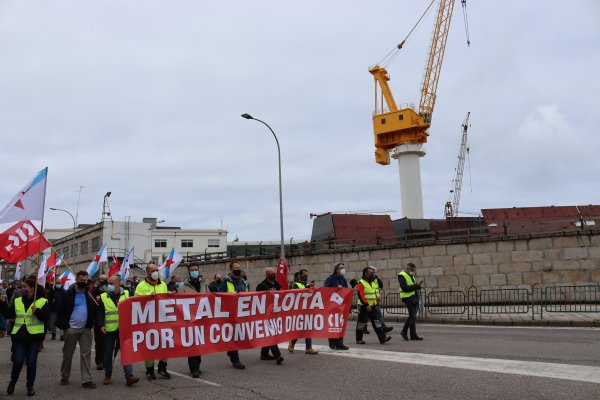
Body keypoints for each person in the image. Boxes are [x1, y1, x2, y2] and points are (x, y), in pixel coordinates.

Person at [0, 278, 49, 396]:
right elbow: (8, 314)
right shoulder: (18, 300)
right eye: (22, 287)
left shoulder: (43, 301)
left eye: (25, 287)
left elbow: (46, 317)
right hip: (20, 336)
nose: (23, 289)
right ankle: (13, 382)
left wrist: (37, 311)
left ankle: (30, 386)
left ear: (32, 288)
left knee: (31, 362)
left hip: (35, 337)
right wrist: (2, 303)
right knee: (18, 361)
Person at [56, 270, 97, 389]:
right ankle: (65, 375)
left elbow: (93, 309)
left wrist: (91, 323)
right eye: (81, 280)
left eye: (85, 280)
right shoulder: (67, 294)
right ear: (76, 280)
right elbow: (60, 311)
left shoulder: (89, 294)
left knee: (86, 354)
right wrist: (66, 327)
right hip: (71, 329)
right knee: (68, 354)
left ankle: (86, 379)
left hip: (85, 329)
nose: (83, 282)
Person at [97, 275, 139, 386]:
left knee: (126, 352)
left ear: (118, 284)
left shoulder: (127, 294)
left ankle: (129, 376)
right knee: (108, 353)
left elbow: (136, 306)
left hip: (124, 329)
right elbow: (100, 313)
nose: (109, 285)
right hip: (109, 330)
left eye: (111, 283)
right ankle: (108, 375)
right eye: (108, 283)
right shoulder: (103, 296)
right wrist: (101, 325)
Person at [135, 264, 172, 380]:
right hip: (148, 321)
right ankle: (150, 370)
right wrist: (147, 297)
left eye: (157, 270)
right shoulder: (141, 286)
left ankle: (162, 368)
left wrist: (169, 296)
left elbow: (166, 301)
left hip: (162, 320)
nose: (156, 272)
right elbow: (135, 302)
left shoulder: (163, 285)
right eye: (153, 271)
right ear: (147, 273)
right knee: (150, 345)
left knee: (165, 345)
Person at [219, 261, 249, 369]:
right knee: (234, 335)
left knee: (238, 335)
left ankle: (231, 351)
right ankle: (235, 360)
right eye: (236, 268)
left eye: (239, 267)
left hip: (241, 312)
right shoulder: (226, 281)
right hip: (230, 312)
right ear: (231, 270)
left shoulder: (244, 281)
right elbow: (220, 295)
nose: (238, 269)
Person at [177, 263, 204, 377]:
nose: (194, 271)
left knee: (199, 343)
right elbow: (179, 302)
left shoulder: (203, 284)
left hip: (201, 317)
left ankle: (197, 365)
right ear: (188, 272)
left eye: (196, 269)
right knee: (192, 344)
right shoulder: (183, 286)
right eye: (192, 270)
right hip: (189, 318)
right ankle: (194, 369)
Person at [355, 266, 391, 345]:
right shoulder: (361, 283)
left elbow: (375, 292)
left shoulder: (373, 282)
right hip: (365, 307)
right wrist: (367, 305)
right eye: (370, 272)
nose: (372, 274)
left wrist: (377, 300)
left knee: (377, 322)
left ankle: (382, 338)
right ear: (366, 273)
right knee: (361, 324)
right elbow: (361, 296)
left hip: (373, 306)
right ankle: (359, 339)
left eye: (372, 272)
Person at [256, 268, 284, 364]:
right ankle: (277, 355)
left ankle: (264, 354)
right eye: (272, 274)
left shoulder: (277, 284)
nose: (274, 275)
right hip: (265, 314)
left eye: (274, 273)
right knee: (271, 333)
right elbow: (257, 299)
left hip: (275, 313)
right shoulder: (261, 286)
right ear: (267, 275)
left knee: (269, 333)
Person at [288, 270, 318, 355]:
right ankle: (292, 342)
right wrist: (308, 289)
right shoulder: (295, 284)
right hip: (299, 310)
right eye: (305, 275)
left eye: (307, 275)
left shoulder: (306, 284)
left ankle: (308, 348)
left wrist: (312, 288)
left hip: (307, 309)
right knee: (300, 328)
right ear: (299, 276)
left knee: (308, 327)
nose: (306, 277)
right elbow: (297, 295)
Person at [323, 263, 349, 350]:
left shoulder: (343, 279)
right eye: (341, 268)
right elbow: (325, 290)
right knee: (333, 325)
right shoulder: (330, 279)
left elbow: (346, 290)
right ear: (337, 270)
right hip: (332, 306)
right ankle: (332, 342)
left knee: (340, 325)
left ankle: (339, 344)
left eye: (344, 268)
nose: (343, 269)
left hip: (341, 306)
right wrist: (335, 288)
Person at [398, 263, 424, 341]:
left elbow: (413, 286)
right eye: (412, 270)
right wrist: (416, 286)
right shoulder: (402, 275)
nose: (413, 271)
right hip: (407, 298)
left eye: (414, 270)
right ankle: (404, 331)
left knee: (413, 316)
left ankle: (413, 335)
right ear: (408, 268)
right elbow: (404, 288)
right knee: (412, 315)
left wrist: (418, 286)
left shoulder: (411, 276)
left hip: (414, 297)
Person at [92, 274, 108, 370]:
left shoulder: (110, 290)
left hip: (109, 320)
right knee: (99, 342)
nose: (104, 280)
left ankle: (107, 360)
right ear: (99, 280)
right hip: (98, 320)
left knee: (108, 343)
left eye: (105, 279)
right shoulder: (95, 291)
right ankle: (99, 361)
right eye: (102, 279)